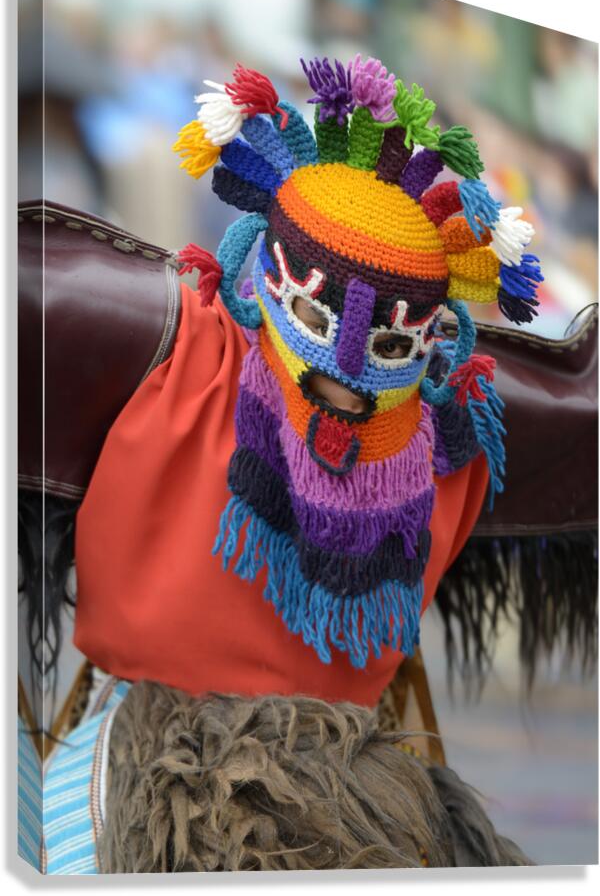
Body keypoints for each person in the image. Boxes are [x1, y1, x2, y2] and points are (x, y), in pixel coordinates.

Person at [30, 55, 551, 872]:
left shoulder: (192, 358)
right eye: (315, 315)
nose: (340, 388)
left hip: (211, 762)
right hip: (304, 772)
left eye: (381, 347)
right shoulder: (451, 444)